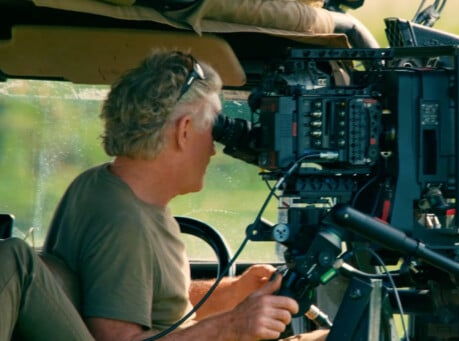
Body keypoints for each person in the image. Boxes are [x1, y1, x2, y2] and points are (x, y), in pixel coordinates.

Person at [1, 50, 328, 340]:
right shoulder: (124, 221)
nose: (213, 150)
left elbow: (153, 306)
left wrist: (235, 292)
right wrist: (228, 327)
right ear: (184, 131)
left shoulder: (101, 186)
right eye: (211, 130)